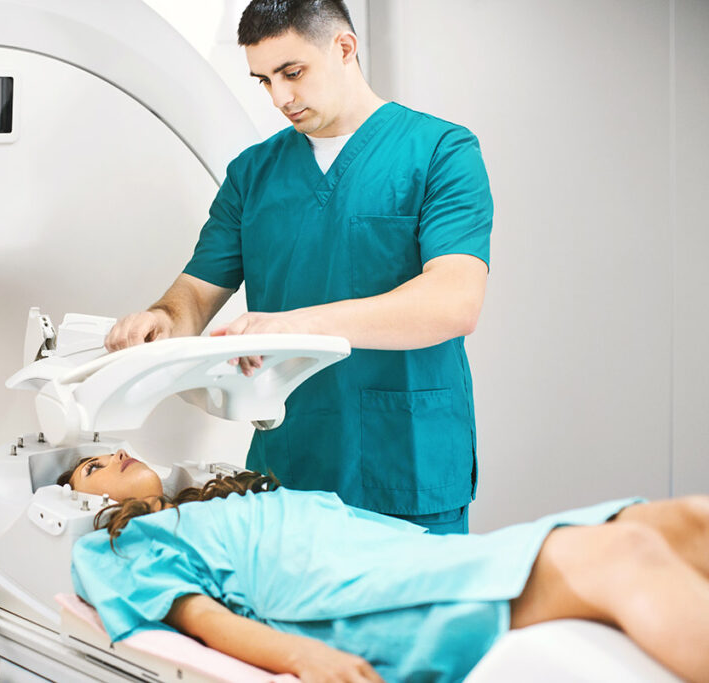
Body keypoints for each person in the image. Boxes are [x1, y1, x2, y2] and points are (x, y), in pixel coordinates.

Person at [104, 0, 493, 534]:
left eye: (292, 72)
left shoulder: (440, 152)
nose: (280, 97)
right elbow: (195, 294)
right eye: (264, 80)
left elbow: (454, 302)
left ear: (344, 48)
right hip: (289, 460)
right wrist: (162, 319)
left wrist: (293, 324)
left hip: (406, 457)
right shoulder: (253, 174)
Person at [61, 455, 709, 683]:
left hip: (408, 557)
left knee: (678, 521)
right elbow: (197, 616)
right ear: (79, 502)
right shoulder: (118, 545)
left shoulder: (212, 499)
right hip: (357, 598)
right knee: (626, 555)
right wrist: (301, 657)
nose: (111, 454)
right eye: (91, 467)